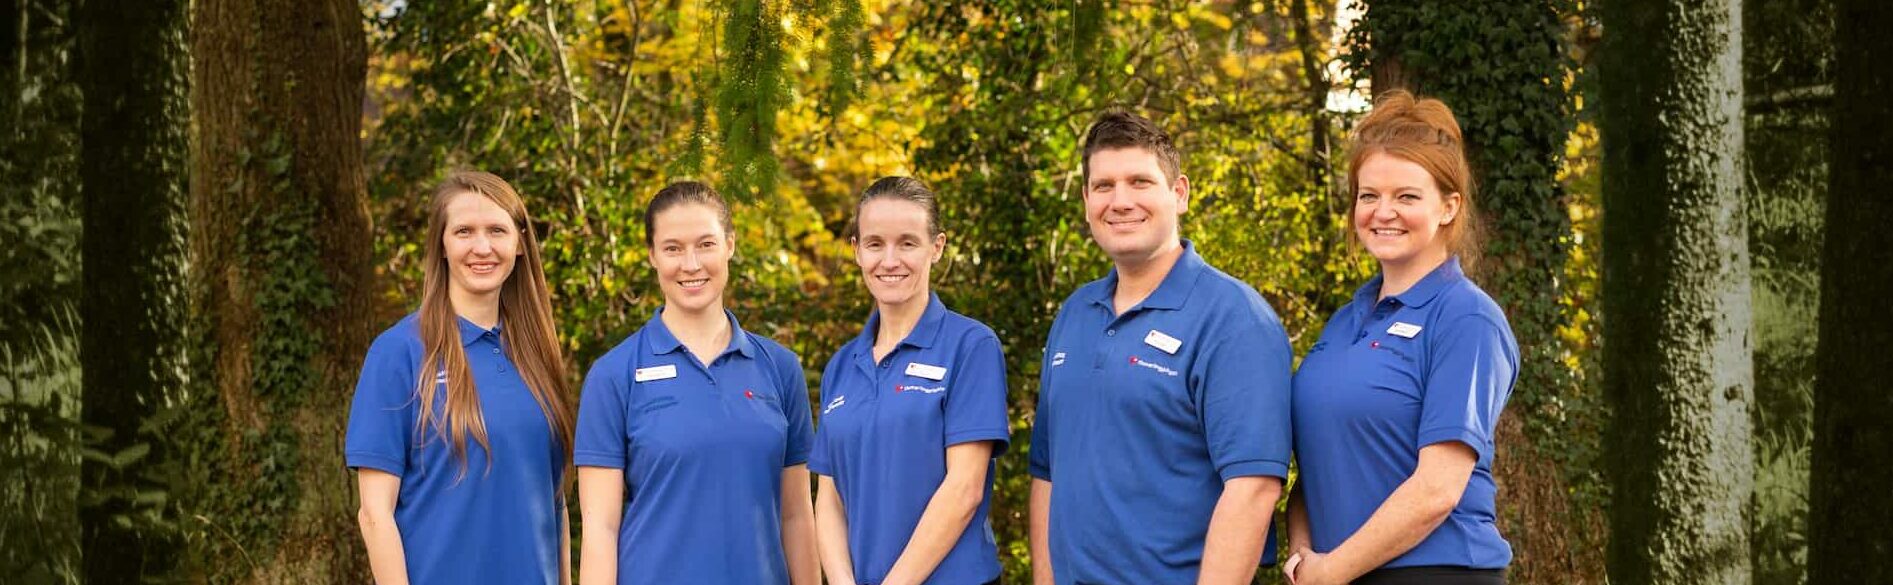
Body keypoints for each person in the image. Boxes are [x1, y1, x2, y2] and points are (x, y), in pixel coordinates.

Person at [1028, 111, 1294, 585]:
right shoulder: (1075, 313)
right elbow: (1048, 473)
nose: (1120, 201)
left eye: (1140, 182)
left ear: (1179, 193)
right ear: (1086, 200)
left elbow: (1253, 489)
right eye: (1104, 186)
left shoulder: (1233, 318)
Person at [1284, 91, 1518, 585]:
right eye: (1369, 196)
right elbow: (1317, 465)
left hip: (1437, 574)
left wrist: (1330, 572)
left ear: (1449, 207)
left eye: (1406, 197)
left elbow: (1437, 490)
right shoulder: (1343, 322)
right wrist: (1302, 555)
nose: (1383, 211)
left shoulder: (1467, 318)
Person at [573, 181, 819, 585]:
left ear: (730, 245)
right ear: (652, 255)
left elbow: (796, 516)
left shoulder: (780, 367)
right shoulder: (614, 374)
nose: (691, 264)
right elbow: (600, 530)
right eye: (673, 248)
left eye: (705, 244)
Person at [346, 170, 576, 585]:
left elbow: (554, 502)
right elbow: (375, 515)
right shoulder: (399, 352)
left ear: (520, 243)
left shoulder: (537, 355)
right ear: (442, 244)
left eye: (497, 230)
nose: (482, 247)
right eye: (464, 231)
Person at [810, 177, 1011, 585]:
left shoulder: (970, 346)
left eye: (907, 243)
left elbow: (964, 489)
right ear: (857, 251)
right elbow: (829, 498)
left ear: (936, 247)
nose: (890, 260)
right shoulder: (842, 366)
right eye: (875, 244)